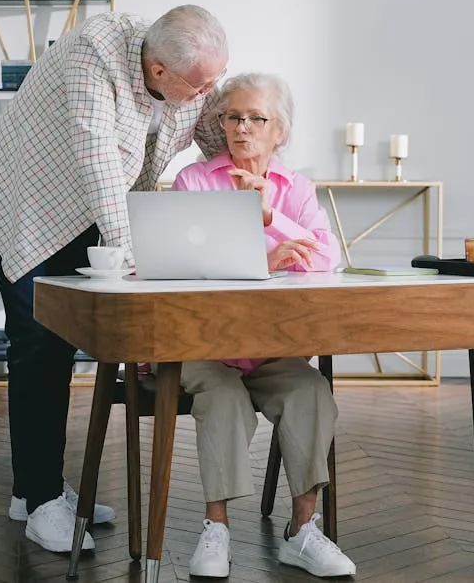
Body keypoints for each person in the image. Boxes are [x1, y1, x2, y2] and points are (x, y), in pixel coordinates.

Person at [0, 5, 230, 553]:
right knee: (39, 343)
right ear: (158, 71)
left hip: (89, 213)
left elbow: (214, 134)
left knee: (66, 345)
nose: (209, 92)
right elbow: (99, 165)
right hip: (29, 207)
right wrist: (137, 258)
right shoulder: (95, 54)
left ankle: (32, 488)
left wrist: (254, 175)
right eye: (201, 84)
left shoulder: (187, 75)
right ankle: (42, 500)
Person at [169, 72, 356, 578]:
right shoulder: (195, 180)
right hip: (206, 346)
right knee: (224, 397)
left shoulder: (296, 189)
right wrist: (270, 261)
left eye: (257, 118)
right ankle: (217, 529)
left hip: (273, 347)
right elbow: (184, 262)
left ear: (281, 131)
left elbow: (328, 260)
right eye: (233, 117)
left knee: (310, 393)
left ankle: (303, 530)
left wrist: (270, 216)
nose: (242, 128)